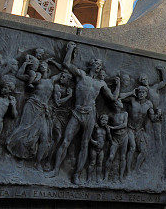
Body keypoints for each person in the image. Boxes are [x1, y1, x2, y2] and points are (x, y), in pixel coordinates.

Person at [51, 42, 121, 183]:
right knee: (65, 141)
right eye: (96, 63)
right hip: (77, 113)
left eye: (100, 65)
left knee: (85, 144)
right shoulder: (81, 75)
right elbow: (66, 63)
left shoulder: (101, 84)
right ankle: (55, 170)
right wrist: (70, 48)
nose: (98, 66)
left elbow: (113, 98)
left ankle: (76, 174)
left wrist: (118, 84)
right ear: (91, 65)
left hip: (90, 114)